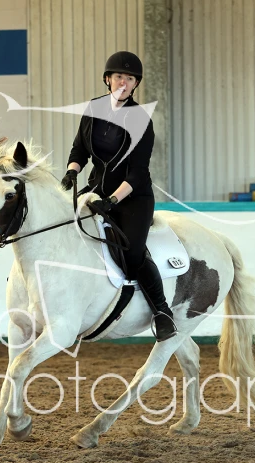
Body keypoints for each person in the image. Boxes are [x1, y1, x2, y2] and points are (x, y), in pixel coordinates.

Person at [62, 51, 177, 342]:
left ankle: (162, 312)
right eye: (118, 77)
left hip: (132, 198)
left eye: (129, 78)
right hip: (96, 191)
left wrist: (112, 200)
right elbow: (79, 150)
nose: (123, 82)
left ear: (135, 84)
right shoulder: (93, 109)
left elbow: (137, 172)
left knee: (132, 253)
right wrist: (72, 171)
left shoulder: (141, 119)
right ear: (108, 79)